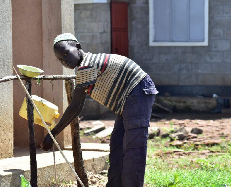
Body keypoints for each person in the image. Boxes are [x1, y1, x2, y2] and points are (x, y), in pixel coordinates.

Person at [41, 33, 158, 187]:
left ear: (78, 47)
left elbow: (76, 107)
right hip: (129, 99)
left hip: (137, 91)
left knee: (133, 149)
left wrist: (53, 134)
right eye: (60, 59)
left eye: (65, 53)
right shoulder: (85, 67)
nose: (65, 60)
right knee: (117, 147)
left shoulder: (87, 65)